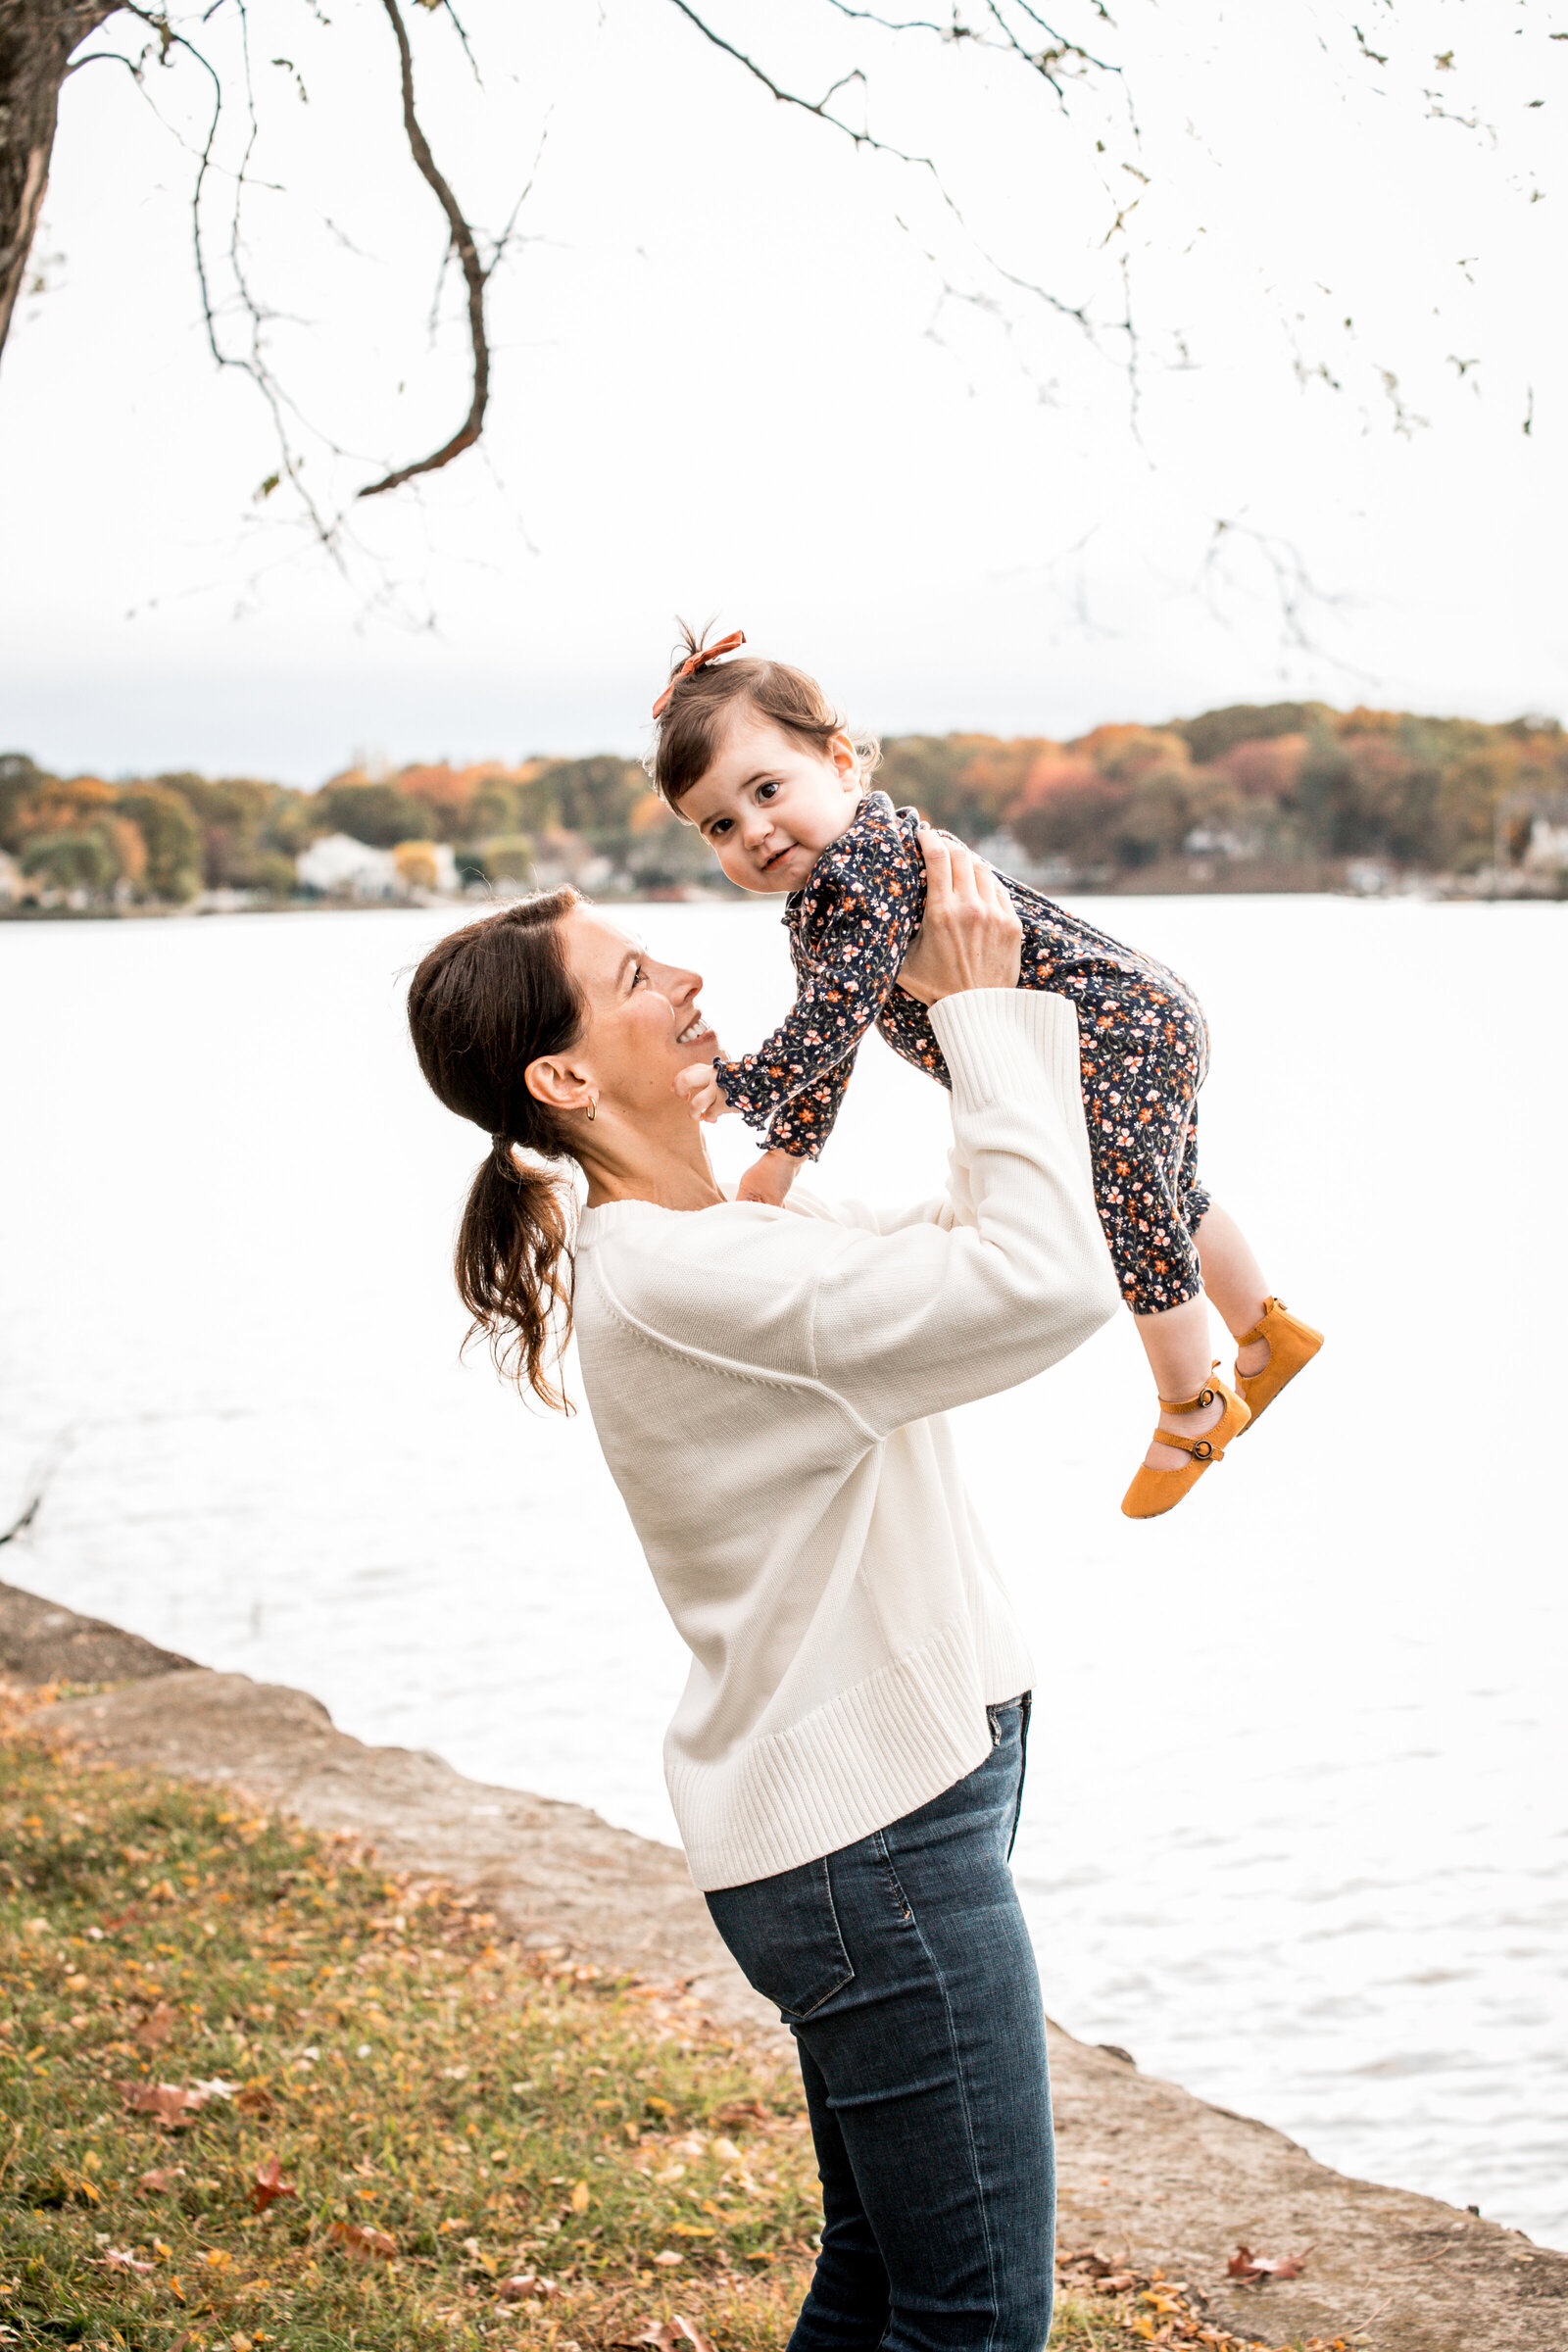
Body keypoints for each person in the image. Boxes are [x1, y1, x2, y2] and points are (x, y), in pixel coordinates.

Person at [406, 836, 1122, 2352]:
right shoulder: (691, 1281)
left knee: (886, 2288)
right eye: (631, 977)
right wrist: (988, 1021)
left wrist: (948, 1009)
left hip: (883, 1824)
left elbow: (959, 1252)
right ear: (565, 1082)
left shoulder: (716, 1240)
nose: (685, 977)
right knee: (977, 2315)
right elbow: (1045, 1288)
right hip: (880, 1847)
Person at [654, 627, 1322, 1520]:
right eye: (721, 826)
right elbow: (840, 1031)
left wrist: (745, 1083)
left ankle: (1192, 1404)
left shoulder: (863, 866)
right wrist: (781, 1161)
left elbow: (827, 1018)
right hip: (1134, 1015)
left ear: (842, 765)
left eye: (768, 790)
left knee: (1129, 1204)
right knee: (1168, 1189)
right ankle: (1265, 1335)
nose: (756, 833)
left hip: (1111, 1024)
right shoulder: (829, 893)